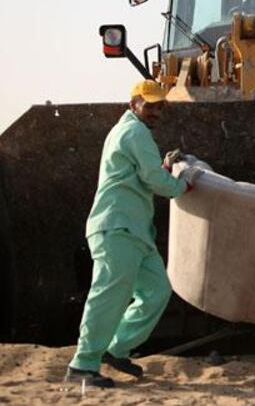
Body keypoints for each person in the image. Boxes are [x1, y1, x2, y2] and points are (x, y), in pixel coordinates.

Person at [65, 80, 201, 388]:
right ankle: (82, 364)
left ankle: (116, 348)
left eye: (158, 106)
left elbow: (143, 173)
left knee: (156, 291)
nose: (154, 111)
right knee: (108, 294)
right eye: (148, 105)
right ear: (133, 104)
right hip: (117, 227)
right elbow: (152, 178)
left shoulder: (132, 133)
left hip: (134, 231)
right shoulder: (135, 132)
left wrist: (164, 167)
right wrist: (182, 185)